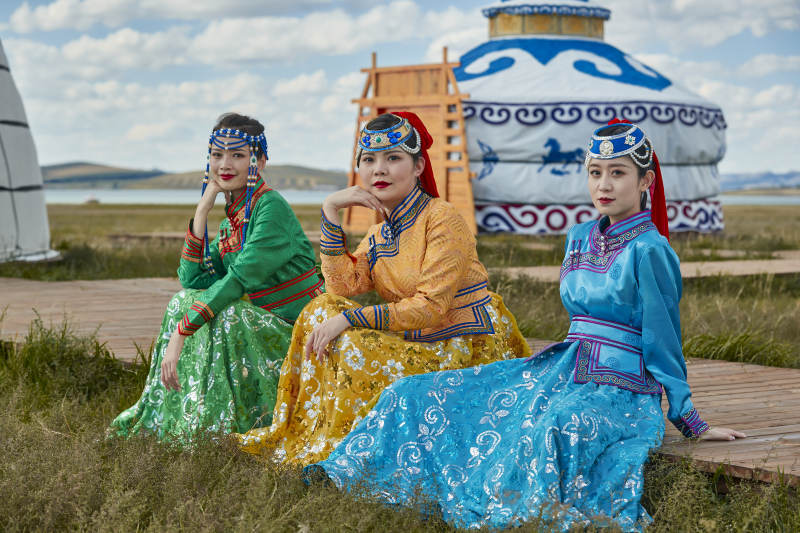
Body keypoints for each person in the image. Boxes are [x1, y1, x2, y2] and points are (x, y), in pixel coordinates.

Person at [304, 120, 745, 531]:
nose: (604, 185)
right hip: (564, 367)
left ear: (645, 181)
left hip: (621, 386)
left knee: (555, 425)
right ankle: (350, 474)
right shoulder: (579, 237)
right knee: (418, 392)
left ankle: (518, 509)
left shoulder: (650, 250)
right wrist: (330, 212)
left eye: (618, 174)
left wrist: (689, 420)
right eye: (595, 173)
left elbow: (663, 338)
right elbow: (345, 284)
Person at [237, 112, 531, 464]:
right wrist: (330, 210)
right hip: (417, 337)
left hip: (461, 345)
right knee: (319, 309)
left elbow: (430, 308)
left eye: (393, 158)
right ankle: (312, 434)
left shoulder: (442, 218)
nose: (379, 170)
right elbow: (341, 286)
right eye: (369, 160)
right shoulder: (381, 233)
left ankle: (345, 450)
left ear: (419, 166)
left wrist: (351, 319)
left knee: (350, 341)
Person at [109, 113, 323, 441]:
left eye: (237, 155)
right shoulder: (232, 221)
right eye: (217, 154)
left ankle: (221, 426)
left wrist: (182, 331)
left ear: (259, 161)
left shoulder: (271, 209)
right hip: (261, 325)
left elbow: (239, 279)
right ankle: (182, 419)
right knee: (183, 300)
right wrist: (202, 211)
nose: (225, 164)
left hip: (299, 332)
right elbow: (192, 279)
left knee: (228, 314)